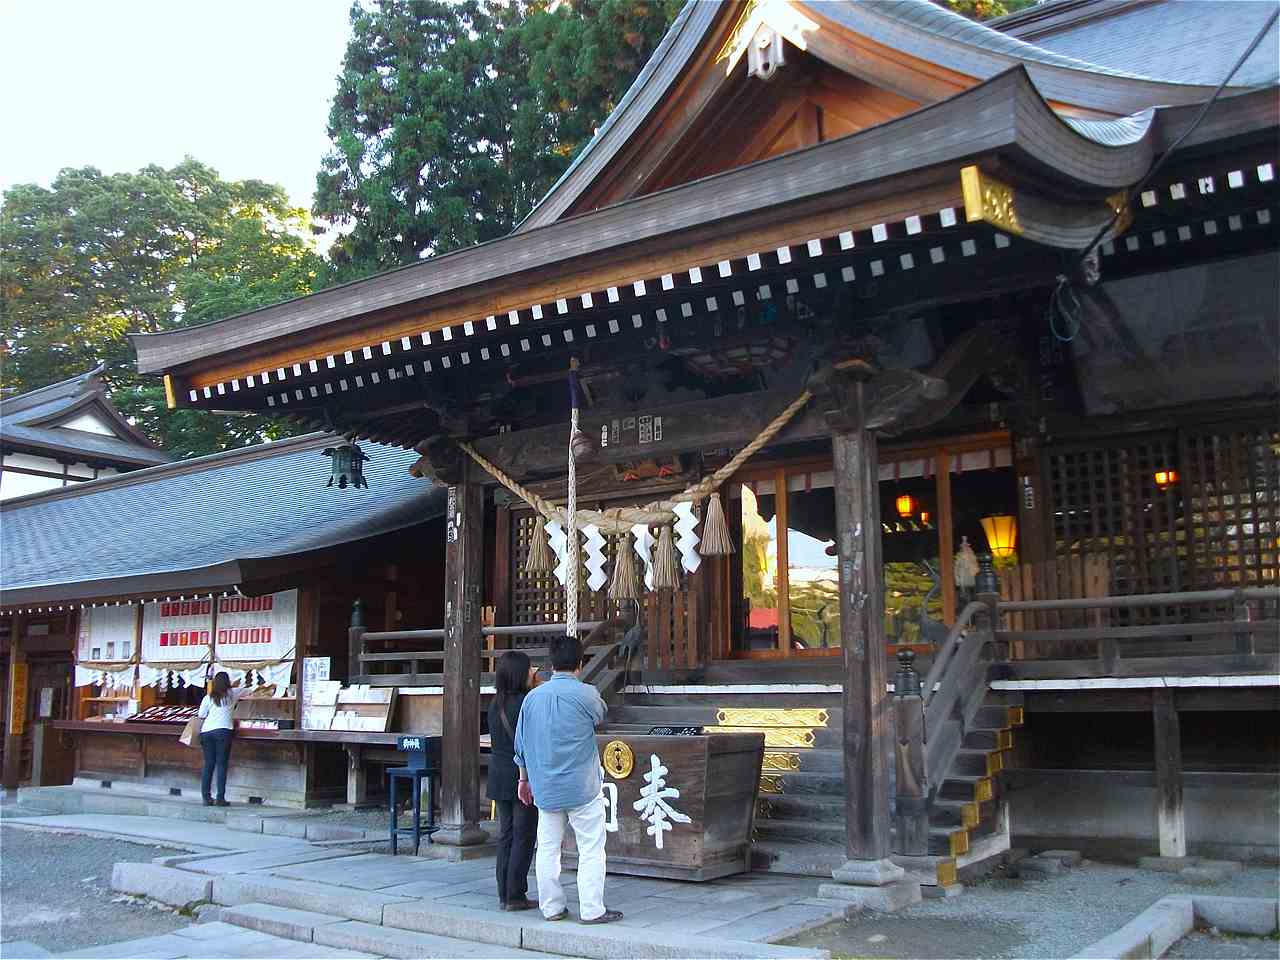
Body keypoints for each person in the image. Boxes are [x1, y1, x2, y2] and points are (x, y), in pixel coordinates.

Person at [513, 635, 620, 925]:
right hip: (582, 785)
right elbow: (600, 716)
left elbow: (520, 745)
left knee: (547, 848)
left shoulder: (532, 699)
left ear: (551, 662)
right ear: (580, 663)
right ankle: (592, 908)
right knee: (591, 848)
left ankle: (552, 907)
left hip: (545, 786)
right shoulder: (587, 694)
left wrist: (524, 780)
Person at [487, 651, 539, 912]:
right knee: (524, 834)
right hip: (521, 775)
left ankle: (503, 893)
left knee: (506, 834)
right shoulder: (526, 703)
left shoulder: (495, 704)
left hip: (498, 772)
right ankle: (516, 893)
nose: (534, 672)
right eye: (530, 668)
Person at [197, 671, 239, 806]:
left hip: (207, 732)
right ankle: (220, 798)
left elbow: (201, 715)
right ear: (228, 682)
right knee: (221, 765)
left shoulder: (208, 698)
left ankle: (206, 797)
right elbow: (250, 690)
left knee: (208, 764)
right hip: (223, 732)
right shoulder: (233, 694)